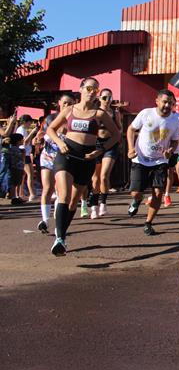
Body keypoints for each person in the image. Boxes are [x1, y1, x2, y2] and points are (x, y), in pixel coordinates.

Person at [46, 77, 120, 255]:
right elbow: (50, 129)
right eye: (88, 88)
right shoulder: (69, 110)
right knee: (63, 195)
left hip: (86, 159)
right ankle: (59, 239)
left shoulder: (100, 114)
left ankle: (62, 236)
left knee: (74, 200)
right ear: (80, 89)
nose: (91, 92)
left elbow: (116, 135)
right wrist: (59, 142)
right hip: (67, 155)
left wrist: (99, 151)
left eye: (95, 90)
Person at [126, 90, 179, 235]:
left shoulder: (175, 120)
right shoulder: (146, 113)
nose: (167, 105)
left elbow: (175, 140)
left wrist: (170, 150)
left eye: (171, 103)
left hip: (160, 161)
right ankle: (137, 201)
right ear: (157, 101)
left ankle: (148, 223)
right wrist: (131, 148)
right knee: (135, 193)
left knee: (158, 193)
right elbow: (131, 129)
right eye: (165, 102)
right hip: (140, 159)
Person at [36, 93, 75, 232]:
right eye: (64, 102)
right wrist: (38, 140)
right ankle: (44, 220)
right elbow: (41, 135)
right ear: (59, 103)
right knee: (47, 188)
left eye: (70, 103)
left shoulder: (73, 120)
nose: (67, 105)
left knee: (60, 191)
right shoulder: (50, 118)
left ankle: (58, 219)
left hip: (62, 158)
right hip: (47, 156)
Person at [89, 88, 123, 218]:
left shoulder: (114, 112)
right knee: (95, 178)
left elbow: (119, 128)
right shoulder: (95, 112)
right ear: (99, 98)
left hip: (110, 144)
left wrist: (116, 123)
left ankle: (103, 203)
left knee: (104, 175)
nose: (107, 100)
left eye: (109, 98)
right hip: (96, 144)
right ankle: (93, 206)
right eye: (104, 98)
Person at [15, 114, 37, 201]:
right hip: (23, 153)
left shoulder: (23, 129)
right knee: (29, 174)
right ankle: (31, 194)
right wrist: (32, 132)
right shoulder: (21, 130)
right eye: (29, 122)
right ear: (25, 122)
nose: (30, 124)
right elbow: (24, 142)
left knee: (24, 175)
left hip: (26, 153)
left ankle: (21, 194)